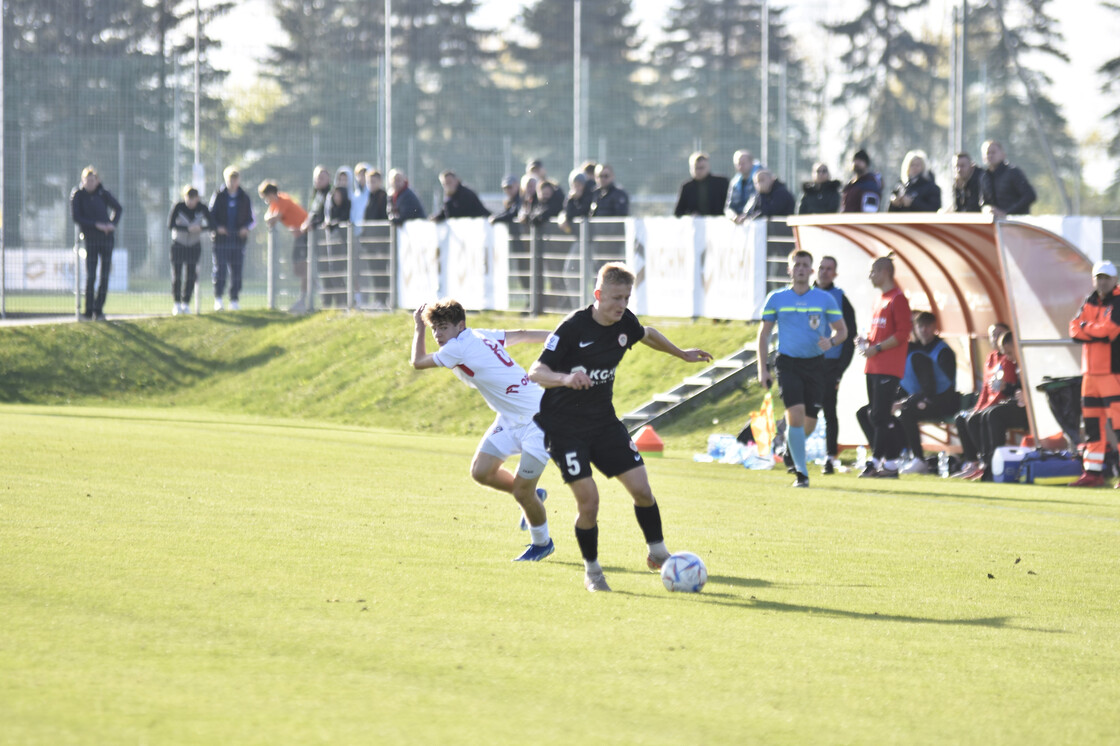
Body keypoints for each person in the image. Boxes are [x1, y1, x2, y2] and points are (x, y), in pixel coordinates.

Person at [528, 263, 713, 592]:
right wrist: (565, 379)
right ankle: (593, 571)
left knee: (642, 490)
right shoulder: (572, 328)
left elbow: (648, 334)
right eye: (615, 298)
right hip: (564, 428)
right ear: (598, 295)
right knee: (590, 502)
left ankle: (657, 553)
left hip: (603, 423)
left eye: (627, 298)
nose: (621, 305)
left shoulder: (624, 322)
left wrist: (681, 354)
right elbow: (536, 372)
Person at [411, 299, 555, 560]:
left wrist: (418, 328)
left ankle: (542, 543)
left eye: (443, 327)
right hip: (510, 418)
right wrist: (558, 337)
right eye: (433, 329)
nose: (437, 334)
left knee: (523, 491)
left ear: (460, 325)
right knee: (481, 472)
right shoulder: (479, 335)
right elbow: (522, 336)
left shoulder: (457, 347)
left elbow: (418, 362)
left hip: (540, 420)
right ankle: (534, 497)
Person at [758, 250, 848, 487]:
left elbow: (843, 331)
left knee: (810, 422)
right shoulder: (776, 298)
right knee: (795, 416)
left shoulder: (824, 299)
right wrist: (762, 368)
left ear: (811, 270)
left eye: (804, 265)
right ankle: (802, 473)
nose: (800, 268)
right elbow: (764, 334)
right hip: (788, 363)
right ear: (789, 269)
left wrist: (831, 341)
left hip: (816, 365)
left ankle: (791, 447)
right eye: (796, 264)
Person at [855, 256, 912, 478]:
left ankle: (876, 462)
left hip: (888, 366)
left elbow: (902, 334)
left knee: (879, 416)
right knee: (875, 415)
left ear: (884, 272)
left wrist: (876, 348)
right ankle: (891, 465)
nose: (870, 276)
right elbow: (879, 333)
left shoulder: (898, 299)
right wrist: (866, 341)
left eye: (873, 271)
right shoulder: (879, 299)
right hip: (873, 365)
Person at [1068, 260, 1120, 487]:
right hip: (1089, 374)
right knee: (1092, 426)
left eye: (1106, 277)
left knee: (1118, 425)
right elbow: (1073, 329)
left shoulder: (1118, 301)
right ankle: (1093, 472)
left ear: (1115, 280)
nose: (1102, 281)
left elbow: (1110, 330)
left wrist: (1086, 328)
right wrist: (1093, 331)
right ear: (1094, 279)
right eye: (1099, 277)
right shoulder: (1088, 300)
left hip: (1112, 373)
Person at [890, 312, 959, 473]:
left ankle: (918, 459)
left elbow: (939, 385)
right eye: (920, 326)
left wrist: (919, 400)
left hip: (943, 401)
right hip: (922, 398)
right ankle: (899, 455)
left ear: (935, 327)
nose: (924, 330)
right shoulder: (916, 350)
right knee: (892, 411)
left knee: (906, 413)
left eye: (928, 326)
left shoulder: (943, 351)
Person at [953, 329, 1028, 479]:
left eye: (1009, 352)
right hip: (1018, 405)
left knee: (992, 414)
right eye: (1005, 352)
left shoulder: (1025, 361)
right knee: (980, 415)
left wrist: (1024, 394)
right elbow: (991, 389)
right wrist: (1010, 389)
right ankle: (985, 462)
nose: (1009, 357)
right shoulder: (1007, 360)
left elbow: (1032, 387)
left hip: (1031, 411)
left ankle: (994, 463)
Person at [814, 255, 857, 473]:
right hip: (805, 362)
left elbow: (849, 337)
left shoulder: (840, 298)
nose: (824, 272)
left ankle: (830, 457)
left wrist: (840, 370)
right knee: (801, 409)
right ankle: (793, 453)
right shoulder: (803, 295)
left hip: (829, 365)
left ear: (835, 274)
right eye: (822, 268)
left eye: (829, 269)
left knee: (829, 412)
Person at [70, 166, 122, 321]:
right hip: (91, 239)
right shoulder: (78, 195)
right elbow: (77, 217)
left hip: (106, 239)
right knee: (91, 275)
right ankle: (88, 310)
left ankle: (99, 310)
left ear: (97, 180)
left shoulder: (103, 193)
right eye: (87, 180)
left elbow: (118, 208)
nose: (90, 183)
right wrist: (96, 225)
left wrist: (112, 224)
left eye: (93, 180)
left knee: (105, 275)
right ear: (83, 181)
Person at [258, 180, 310, 313]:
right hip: (299, 236)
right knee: (297, 267)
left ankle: (306, 297)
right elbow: (267, 217)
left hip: (306, 235)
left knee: (303, 266)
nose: (266, 201)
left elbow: (274, 218)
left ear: (270, 194)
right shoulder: (275, 204)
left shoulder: (283, 200)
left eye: (266, 197)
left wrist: (271, 218)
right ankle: (310, 287)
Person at [208, 166, 255, 312]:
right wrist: (218, 228)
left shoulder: (244, 197)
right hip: (221, 240)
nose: (233, 183)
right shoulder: (219, 196)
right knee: (220, 270)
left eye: (235, 179)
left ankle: (234, 300)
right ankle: (218, 299)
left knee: (236, 271)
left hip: (237, 241)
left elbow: (252, 219)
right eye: (230, 179)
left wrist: (245, 228)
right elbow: (211, 216)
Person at [167, 185, 211, 315]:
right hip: (178, 244)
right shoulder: (178, 207)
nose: (191, 202)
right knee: (177, 275)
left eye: (193, 199)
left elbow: (212, 224)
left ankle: (186, 303)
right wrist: (187, 229)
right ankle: (176, 304)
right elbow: (171, 225)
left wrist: (200, 228)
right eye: (188, 198)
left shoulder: (202, 208)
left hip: (194, 245)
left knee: (191, 275)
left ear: (197, 198)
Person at [980, 140, 1036, 217]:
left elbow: (1030, 196)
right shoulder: (984, 176)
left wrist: (1007, 213)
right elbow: (983, 202)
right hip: (995, 223)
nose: (990, 155)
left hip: (1016, 221)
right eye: (987, 153)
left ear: (1003, 154)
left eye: (993, 152)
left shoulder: (1013, 172)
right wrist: (987, 209)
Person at [674, 152, 730, 217]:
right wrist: (690, 215)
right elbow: (678, 212)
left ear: (708, 166)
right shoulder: (687, 186)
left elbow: (729, 207)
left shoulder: (722, 183)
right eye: (696, 168)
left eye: (701, 168)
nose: (698, 171)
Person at [840, 149, 882, 213]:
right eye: (855, 160)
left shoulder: (870, 185)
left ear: (866, 164)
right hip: (847, 221)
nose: (856, 163)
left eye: (860, 160)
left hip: (859, 222)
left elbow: (870, 212)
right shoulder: (850, 186)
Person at [725, 149, 760, 223]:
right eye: (738, 164)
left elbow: (756, 199)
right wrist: (734, 217)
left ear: (751, 162)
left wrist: (746, 215)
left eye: (743, 163)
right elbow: (729, 207)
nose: (740, 166)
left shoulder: (761, 178)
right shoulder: (735, 183)